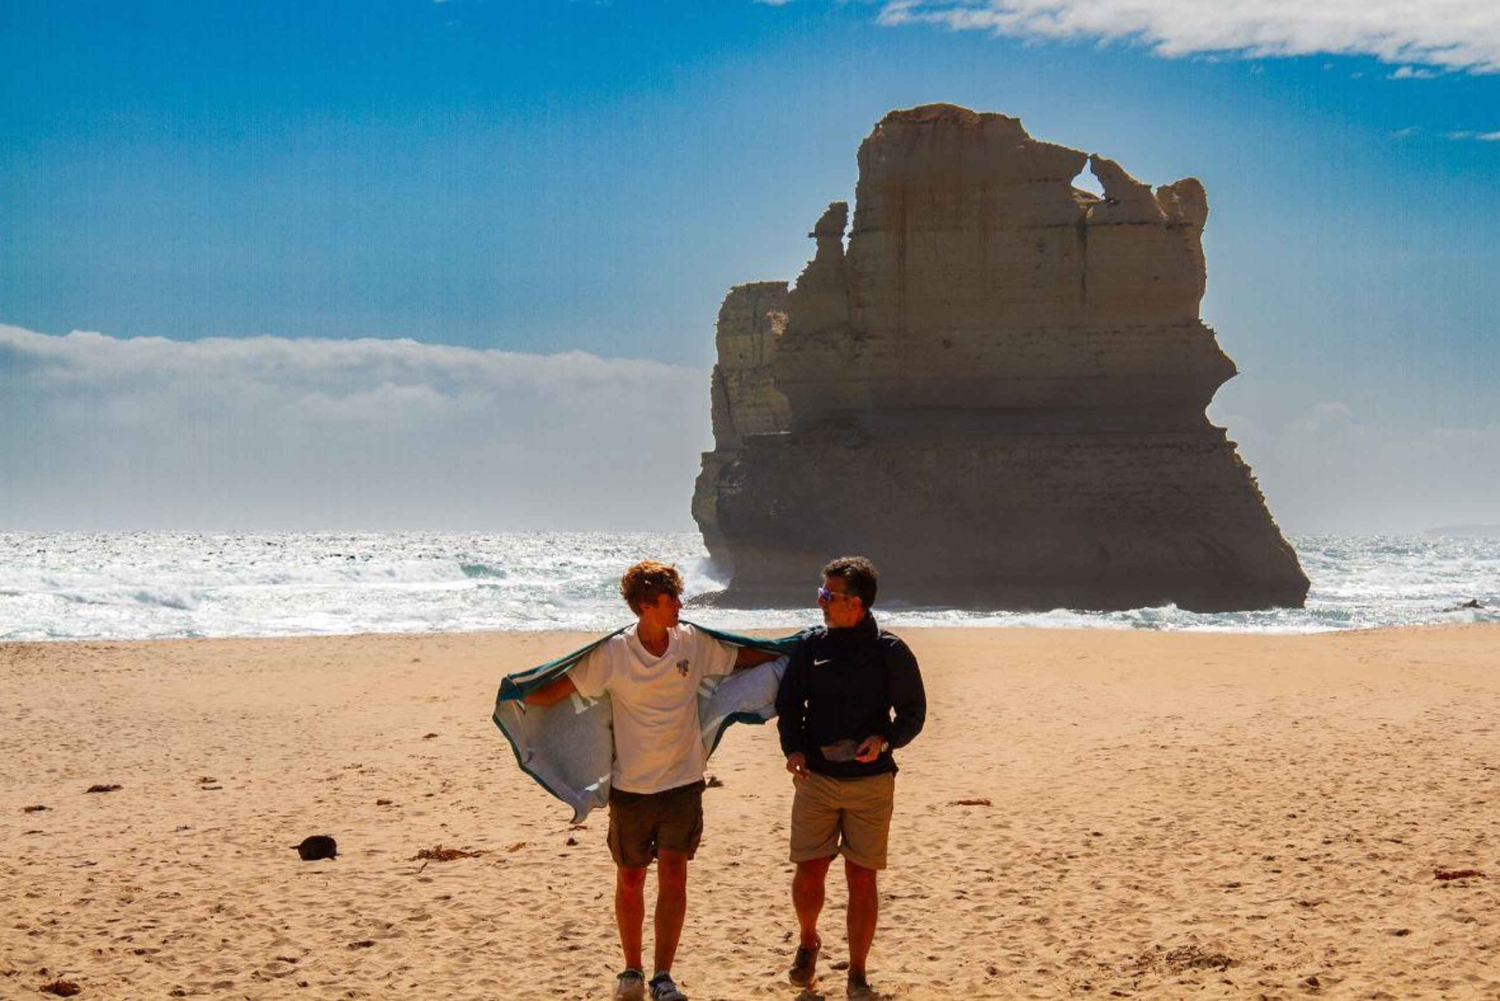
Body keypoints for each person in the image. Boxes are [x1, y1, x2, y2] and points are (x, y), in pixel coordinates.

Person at [523, 560, 779, 1001]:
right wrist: (517, 697)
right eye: (671, 598)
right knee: (630, 879)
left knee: (675, 876)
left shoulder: (692, 641)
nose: (680, 604)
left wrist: (788, 653)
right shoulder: (614, 653)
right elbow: (562, 687)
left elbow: (741, 656)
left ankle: (663, 975)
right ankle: (631, 970)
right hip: (632, 790)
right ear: (646, 605)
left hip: (684, 782)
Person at [774, 556, 926, 999]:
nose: (820, 602)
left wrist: (885, 740)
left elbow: (913, 714)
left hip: (871, 783)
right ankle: (808, 941)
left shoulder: (891, 651)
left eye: (828, 595)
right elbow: (789, 705)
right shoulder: (810, 646)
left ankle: (857, 973)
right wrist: (793, 748)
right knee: (809, 872)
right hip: (816, 779)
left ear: (855, 604)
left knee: (861, 878)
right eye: (821, 594)